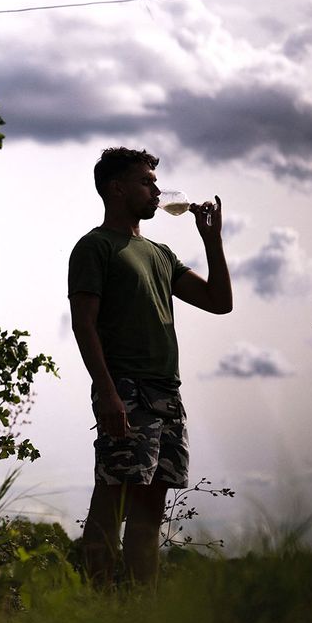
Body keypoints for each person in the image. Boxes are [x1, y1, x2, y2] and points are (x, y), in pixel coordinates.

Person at [68, 147, 232, 587]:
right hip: (126, 390)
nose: (157, 190)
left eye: (156, 182)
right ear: (116, 188)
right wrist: (107, 393)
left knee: (148, 518)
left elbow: (220, 303)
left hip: (166, 394)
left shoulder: (160, 253)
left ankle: (140, 617)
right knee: (112, 503)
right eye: (146, 182)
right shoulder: (95, 247)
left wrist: (211, 240)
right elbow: (84, 325)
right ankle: (92, 612)